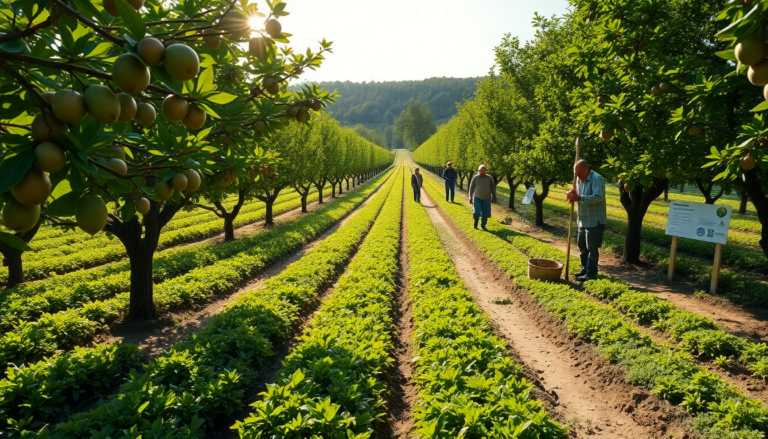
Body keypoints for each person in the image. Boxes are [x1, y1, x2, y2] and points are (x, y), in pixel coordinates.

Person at [566, 159, 607, 281]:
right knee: (581, 245)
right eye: (576, 173)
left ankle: (591, 273)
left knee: (592, 247)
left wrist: (580, 197)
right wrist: (571, 194)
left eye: (580, 173)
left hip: (594, 219)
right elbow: (577, 194)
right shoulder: (578, 178)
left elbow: (598, 196)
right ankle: (585, 268)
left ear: (587, 169)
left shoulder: (597, 179)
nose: (578, 176)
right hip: (583, 218)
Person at [468, 164, 496, 230]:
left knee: (485, 213)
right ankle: (476, 221)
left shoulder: (489, 178)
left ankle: (483, 225)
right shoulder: (476, 177)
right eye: (480, 171)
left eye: (483, 171)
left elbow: (492, 188)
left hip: (486, 198)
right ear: (479, 171)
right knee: (477, 211)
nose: (482, 173)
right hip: (477, 197)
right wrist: (470, 197)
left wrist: (494, 196)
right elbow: (471, 188)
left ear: (486, 171)